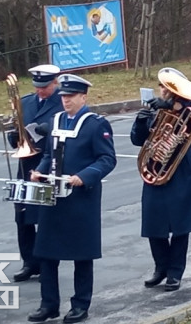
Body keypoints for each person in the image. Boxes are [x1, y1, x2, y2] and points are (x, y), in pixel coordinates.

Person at [29, 75, 116, 324]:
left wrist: (84, 176)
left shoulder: (96, 124)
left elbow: (107, 159)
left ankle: (80, 304)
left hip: (81, 198)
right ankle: (49, 304)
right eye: (64, 97)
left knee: (82, 254)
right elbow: (48, 153)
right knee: (46, 253)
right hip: (53, 196)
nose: (65, 101)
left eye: (71, 97)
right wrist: (39, 170)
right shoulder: (55, 120)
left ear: (83, 97)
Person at [132, 69, 191, 293]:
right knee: (153, 224)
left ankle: (175, 272)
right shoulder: (156, 109)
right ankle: (161, 267)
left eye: (169, 89)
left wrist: (173, 107)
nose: (164, 92)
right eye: (162, 87)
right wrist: (141, 122)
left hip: (181, 171)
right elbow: (137, 140)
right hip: (155, 169)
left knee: (180, 225)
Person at [9, 64, 61, 283]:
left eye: (45, 87)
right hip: (25, 164)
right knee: (23, 216)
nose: (41, 91)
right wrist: (15, 136)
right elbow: (18, 129)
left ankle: (47, 261)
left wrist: (46, 132)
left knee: (46, 217)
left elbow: (64, 131)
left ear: (55, 83)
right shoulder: (26, 102)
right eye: (37, 86)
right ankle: (29, 262)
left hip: (48, 165)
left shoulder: (62, 102)